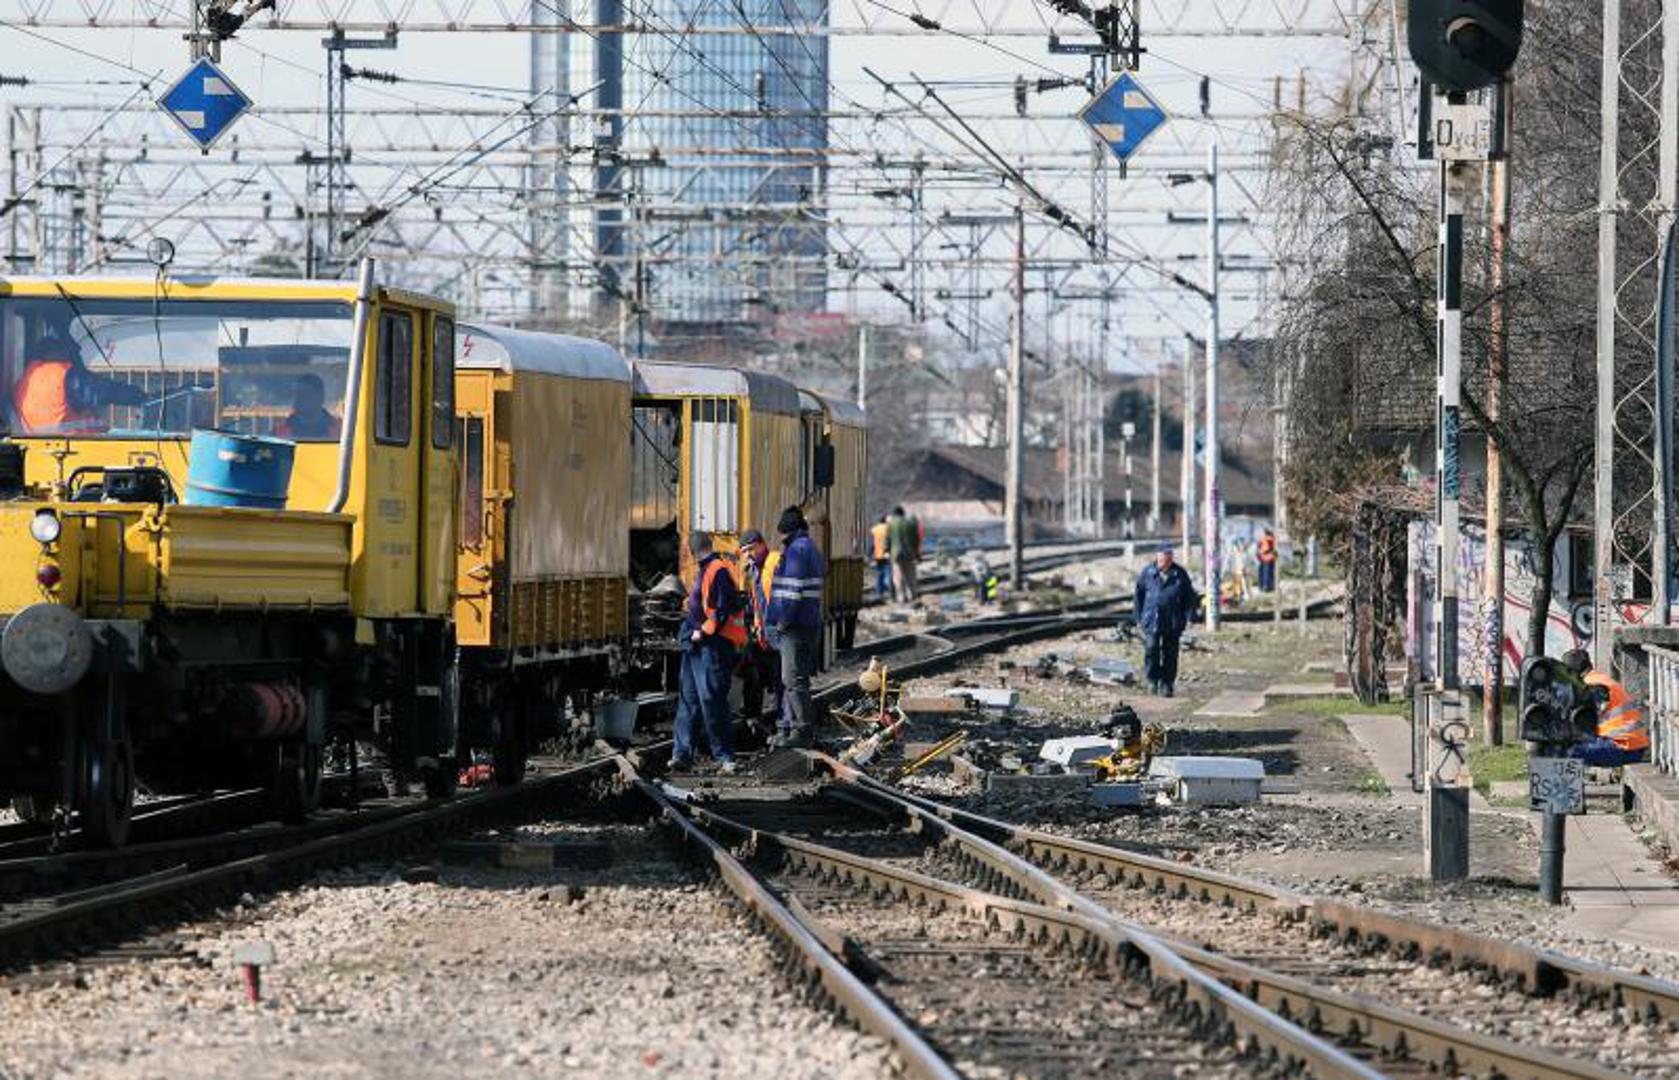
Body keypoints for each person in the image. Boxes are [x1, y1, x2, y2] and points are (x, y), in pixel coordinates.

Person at [673, 531, 745, 773]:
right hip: (696, 645)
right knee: (689, 700)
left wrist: (702, 632)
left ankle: (724, 755)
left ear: (693, 551)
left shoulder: (717, 570)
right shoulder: (706, 569)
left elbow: (721, 611)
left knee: (711, 699)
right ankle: (682, 754)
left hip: (712, 645)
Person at [12, 321, 144, 435]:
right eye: (69, 350)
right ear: (56, 349)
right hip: (79, 445)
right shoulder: (64, 376)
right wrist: (141, 396)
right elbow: (103, 391)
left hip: (41, 446)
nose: (72, 354)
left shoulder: (27, 378)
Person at [766, 505, 825, 749]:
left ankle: (802, 731)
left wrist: (783, 621)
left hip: (796, 626)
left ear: (788, 530)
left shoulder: (797, 550)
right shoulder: (809, 547)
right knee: (795, 679)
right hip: (805, 623)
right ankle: (793, 729)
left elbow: (792, 591)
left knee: (793, 680)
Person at [1560, 649, 1650, 768]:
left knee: (1563, 751)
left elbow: (1583, 722)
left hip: (1622, 747)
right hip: (1632, 745)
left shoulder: (1591, 685)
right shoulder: (1598, 678)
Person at [1134, 547, 1198, 697]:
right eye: (1162, 559)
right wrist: (1138, 617)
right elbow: (1138, 595)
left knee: (1170, 653)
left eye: (1168, 559)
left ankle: (1167, 683)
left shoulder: (1179, 573)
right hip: (1151, 618)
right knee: (1151, 649)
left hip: (1173, 619)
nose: (1165, 562)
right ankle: (1152, 680)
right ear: (1158, 558)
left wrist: (1190, 617)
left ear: (1171, 559)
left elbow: (1189, 597)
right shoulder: (1148, 572)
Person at [737, 528, 781, 731]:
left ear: (762, 544)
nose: (748, 554)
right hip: (763, 632)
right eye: (744, 551)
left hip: (779, 630)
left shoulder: (776, 562)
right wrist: (757, 626)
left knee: (782, 679)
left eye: (751, 549)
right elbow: (756, 600)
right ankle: (757, 718)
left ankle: (784, 723)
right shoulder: (752, 569)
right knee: (755, 673)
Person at [275, 373, 341, 440]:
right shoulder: (279, 431)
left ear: (320, 397)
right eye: (294, 395)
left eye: (303, 395)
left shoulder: (340, 430)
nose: (297, 400)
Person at [886, 504, 921, 603]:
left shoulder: (891, 523)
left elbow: (888, 539)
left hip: (896, 553)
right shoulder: (912, 523)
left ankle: (902, 597)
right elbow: (916, 540)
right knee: (910, 575)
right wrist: (917, 553)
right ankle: (912, 595)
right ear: (903, 513)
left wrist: (887, 551)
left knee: (898, 576)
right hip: (910, 553)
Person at [870, 515, 892, 599]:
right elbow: (890, 542)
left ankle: (879, 592)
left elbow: (872, 544)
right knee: (887, 573)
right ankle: (889, 590)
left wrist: (870, 555)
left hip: (877, 555)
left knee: (879, 574)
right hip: (886, 554)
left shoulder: (875, 529)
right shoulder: (888, 529)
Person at [1257, 528, 1278, 593]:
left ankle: (1265, 587)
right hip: (1267, 558)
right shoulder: (1269, 539)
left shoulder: (1268, 539)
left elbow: (1264, 549)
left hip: (1267, 558)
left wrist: (1260, 554)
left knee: (1266, 574)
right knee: (1267, 573)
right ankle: (1266, 587)